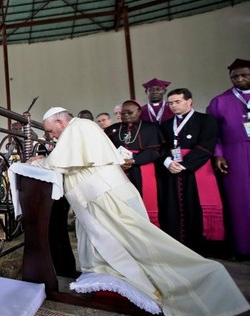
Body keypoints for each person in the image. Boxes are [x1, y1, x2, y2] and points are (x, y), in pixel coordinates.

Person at [28, 106, 248, 316]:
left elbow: (61, 162)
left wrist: (41, 162)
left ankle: (204, 277)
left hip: (104, 196)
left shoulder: (78, 127)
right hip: (99, 195)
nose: (50, 134)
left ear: (60, 122)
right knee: (111, 242)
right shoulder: (81, 128)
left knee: (139, 242)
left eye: (50, 129)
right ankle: (115, 284)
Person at [157, 88, 224, 255]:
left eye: (177, 101)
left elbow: (206, 145)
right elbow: (162, 147)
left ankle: (201, 247)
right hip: (171, 169)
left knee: (196, 205)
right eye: (170, 103)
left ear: (189, 101)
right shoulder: (165, 125)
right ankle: (178, 246)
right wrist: (167, 162)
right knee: (173, 206)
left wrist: (185, 165)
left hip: (197, 169)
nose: (173, 106)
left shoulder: (206, 120)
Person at [207, 58, 250, 260]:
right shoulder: (219, 101)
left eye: (244, 75)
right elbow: (212, 133)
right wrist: (218, 155)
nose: (239, 79)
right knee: (239, 202)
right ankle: (243, 248)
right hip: (235, 155)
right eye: (235, 77)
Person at [105, 100, 164, 226]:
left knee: (145, 201)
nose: (125, 115)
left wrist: (134, 160)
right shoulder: (112, 130)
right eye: (122, 113)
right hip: (119, 171)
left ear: (139, 112)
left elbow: (156, 151)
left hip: (143, 169)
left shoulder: (151, 128)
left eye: (129, 112)